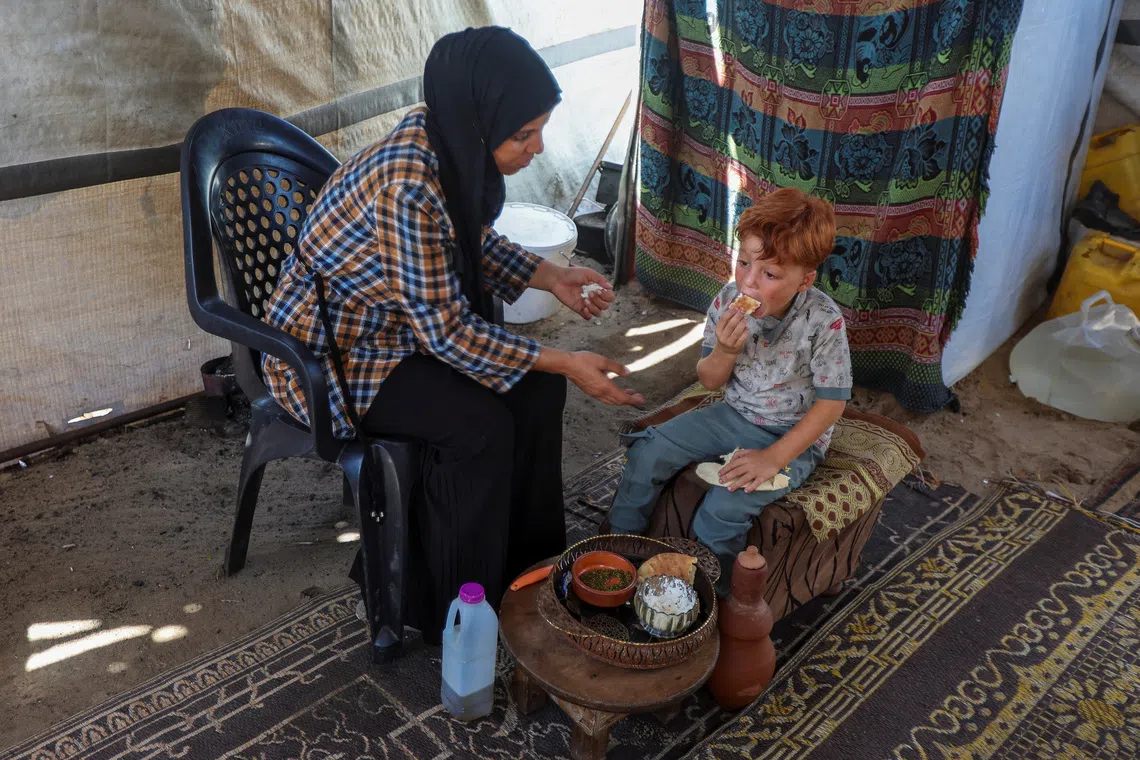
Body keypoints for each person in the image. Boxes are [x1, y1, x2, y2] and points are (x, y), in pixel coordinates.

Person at [261, 26, 644, 640]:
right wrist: (564, 357)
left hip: (396, 330)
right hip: (333, 354)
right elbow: (448, 335)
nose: (538, 147)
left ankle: (526, 574)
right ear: (479, 119)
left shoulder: (443, 141)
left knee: (538, 393)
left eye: (541, 127)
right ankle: (446, 605)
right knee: (479, 426)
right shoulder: (406, 184)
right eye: (523, 133)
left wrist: (551, 275)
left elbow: (465, 237)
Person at [605, 188, 851, 591]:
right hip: (733, 414)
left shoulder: (824, 321)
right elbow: (710, 380)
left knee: (721, 509)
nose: (749, 282)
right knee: (647, 453)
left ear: (805, 280)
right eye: (743, 262)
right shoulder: (726, 301)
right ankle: (617, 555)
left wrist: (773, 458)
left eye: (770, 274)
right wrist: (724, 350)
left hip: (793, 436)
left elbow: (830, 405)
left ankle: (708, 597)